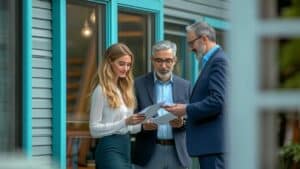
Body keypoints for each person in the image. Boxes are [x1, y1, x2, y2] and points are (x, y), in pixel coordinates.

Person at [164, 22, 228, 169]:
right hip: (211, 146)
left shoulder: (219, 61)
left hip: (214, 147)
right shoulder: (211, 61)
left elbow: (218, 101)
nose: (190, 48)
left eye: (191, 43)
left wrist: (186, 109)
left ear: (204, 38)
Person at [132, 40, 192, 169]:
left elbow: (193, 115)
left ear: (174, 60)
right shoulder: (138, 84)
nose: (163, 66)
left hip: (178, 154)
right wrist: (143, 125)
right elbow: (130, 116)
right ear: (152, 60)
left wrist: (182, 122)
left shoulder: (185, 86)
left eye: (168, 60)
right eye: (159, 61)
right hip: (148, 153)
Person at [89, 43, 145, 169]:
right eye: (121, 64)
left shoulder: (125, 90)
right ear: (109, 62)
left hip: (126, 146)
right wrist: (125, 122)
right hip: (109, 148)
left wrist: (143, 124)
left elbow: (129, 128)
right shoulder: (101, 90)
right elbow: (94, 129)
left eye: (129, 64)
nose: (126, 68)